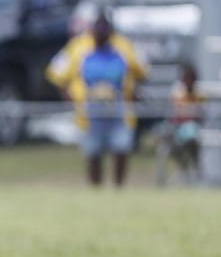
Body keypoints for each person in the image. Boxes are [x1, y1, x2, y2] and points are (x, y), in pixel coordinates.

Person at [47, 12, 148, 187]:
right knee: (93, 152)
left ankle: (119, 188)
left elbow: (143, 71)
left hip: (119, 109)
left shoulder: (123, 46)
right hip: (89, 111)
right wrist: (69, 98)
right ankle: (96, 189)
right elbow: (56, 73)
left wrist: (133, 91)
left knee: (121, 148)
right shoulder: (78, 46)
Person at [166, 64, 204, 180]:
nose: (188, 82)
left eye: (191, 79)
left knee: (192, 140)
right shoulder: (178, 93)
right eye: (186, 78)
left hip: (193, 131)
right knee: (175, 145)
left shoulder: (198, 94)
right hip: (177, 130)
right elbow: (176, 116)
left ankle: (195, 171)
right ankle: (186, 171)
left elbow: (200, 116)